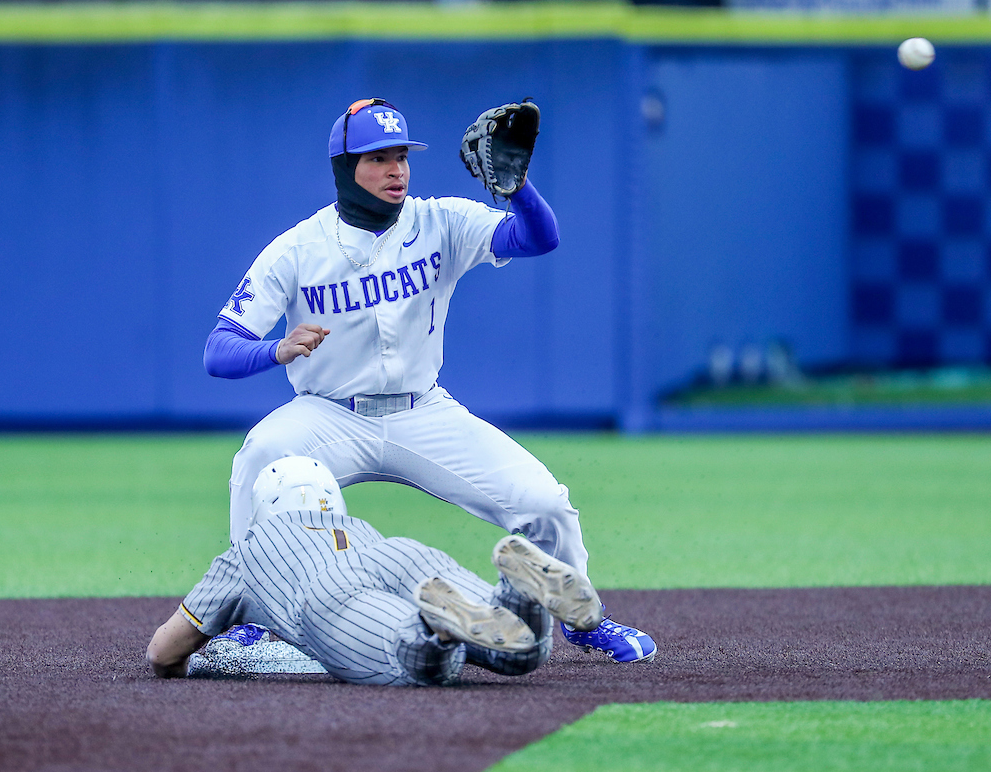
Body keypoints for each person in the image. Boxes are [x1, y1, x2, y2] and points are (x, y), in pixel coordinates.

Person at [201, 98, 656, 663]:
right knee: (260, 456)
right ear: (345, 167)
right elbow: (218, 351)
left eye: (402, 157)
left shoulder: (441, 220)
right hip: (329, 415)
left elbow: (539, 238)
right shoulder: (297, 249)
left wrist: (517, 189)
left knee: (544, 502)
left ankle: (583, 622)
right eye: (378, 158)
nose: (397, 170)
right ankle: (246, 618)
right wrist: (275, 349)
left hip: (423, 413)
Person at [146, 457, 604, 685]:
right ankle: (518, 590)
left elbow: (163, 653)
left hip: (328, 597)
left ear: (262, 507)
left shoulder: (245, 554)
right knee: (523, 652)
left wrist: (192, 662)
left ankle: (437, 629)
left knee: (420, 665)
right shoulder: (357, 526)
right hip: (400, 555)